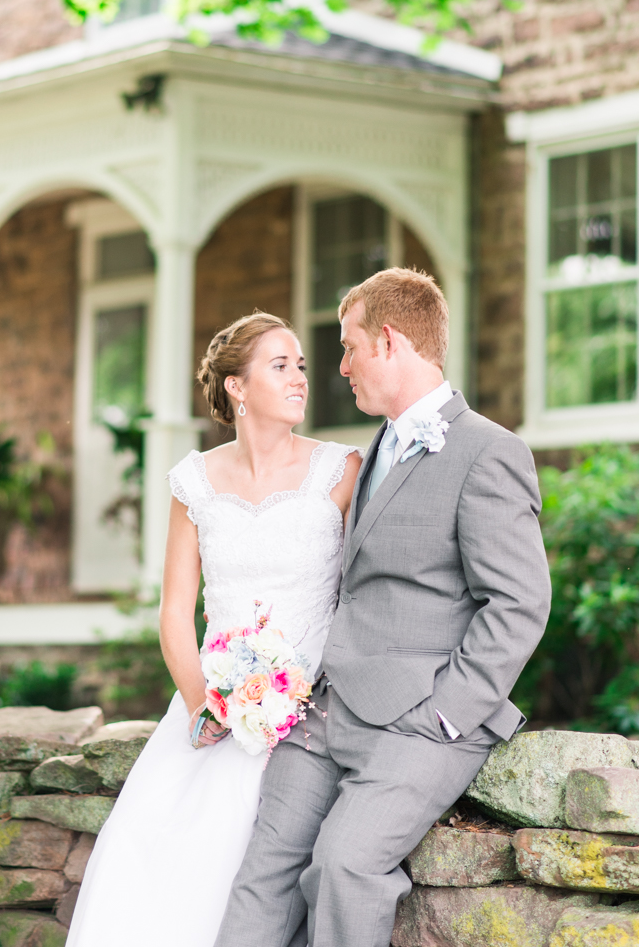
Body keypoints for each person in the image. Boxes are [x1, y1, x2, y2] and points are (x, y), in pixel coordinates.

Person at [214, 267, 552, 947]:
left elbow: (519, 602)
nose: (338, 367)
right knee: (262, 873)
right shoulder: (366, 455)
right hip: (325, 711)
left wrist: (447, 715)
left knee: (344, 865)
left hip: (420, 723)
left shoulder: (490, 452)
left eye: (348, 347)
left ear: (390, 341)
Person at [65, 311, 361, 947]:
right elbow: (175, 612)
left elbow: (361, 595)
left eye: (301, 365)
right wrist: (207, 704)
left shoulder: (342, 471)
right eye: (280, 366)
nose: (300, 378)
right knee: (153, 845)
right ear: (236, 386)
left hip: (312, 706)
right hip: (214, 702)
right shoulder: (194, 482)